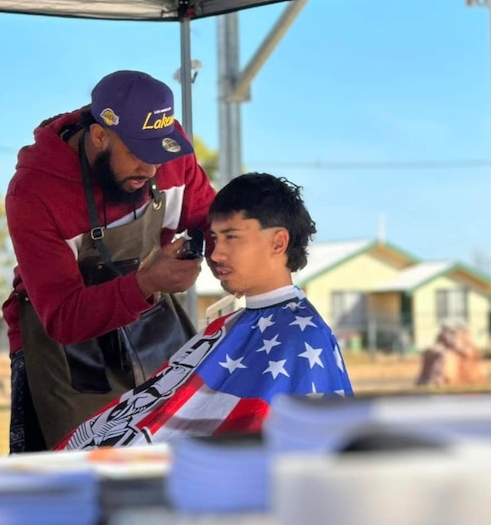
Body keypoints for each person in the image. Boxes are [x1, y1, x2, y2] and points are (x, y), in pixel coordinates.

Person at [56, 172, 354, 451]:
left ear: (278, 242)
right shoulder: (226, 327)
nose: (215, 253)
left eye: (231, 237)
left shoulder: (303, 339)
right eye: (215, 237)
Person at [2, 70, 216, 452]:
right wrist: (148, 282)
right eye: (137, 155)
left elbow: (212, 221)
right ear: (100, 136)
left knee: (175, 458)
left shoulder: (161, 148)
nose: (151, 170)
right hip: (63, 344)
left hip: (150, 323)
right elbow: (63, 316)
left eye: (158, 154)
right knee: (72, 482)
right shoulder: (33, 192)